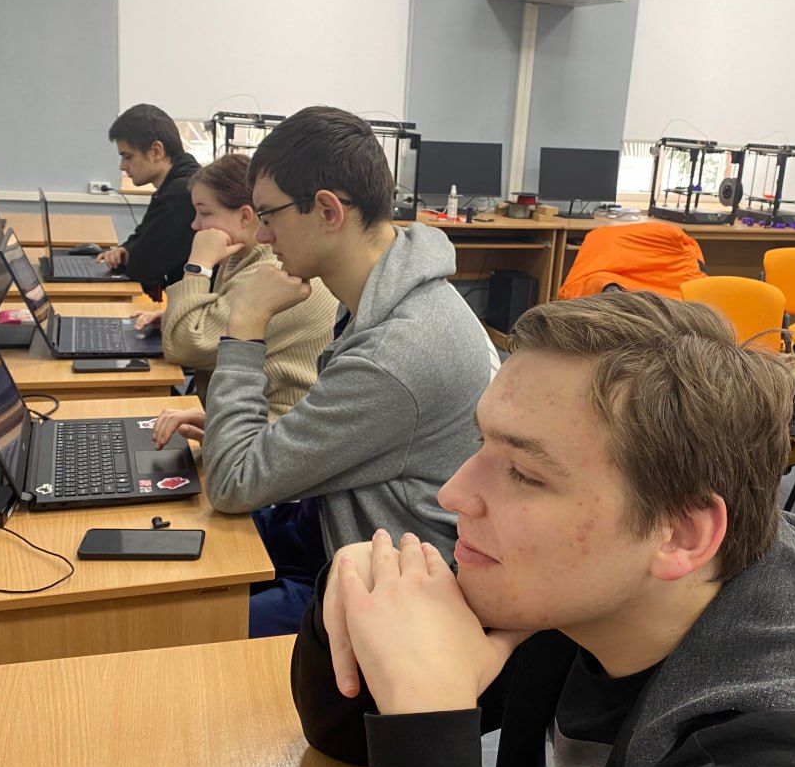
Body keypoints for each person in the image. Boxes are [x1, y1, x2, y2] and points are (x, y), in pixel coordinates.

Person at [291, 291, 795, 767]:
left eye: (525, 473)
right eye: (482, 444)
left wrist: (428, 721)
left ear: (682, 534)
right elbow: (345, 738)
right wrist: (358, 594)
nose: (453, 494)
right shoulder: (595, 586)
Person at [152, 105, 498, 637]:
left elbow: (233, 482)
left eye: (268, 216)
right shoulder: (386, 295)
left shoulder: (396, 351)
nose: (263, 236)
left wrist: (245, 324)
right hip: (334, 525)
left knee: (169, 624)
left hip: (388, 591)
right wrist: (249, 433)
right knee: (165, 546)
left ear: (327, 210)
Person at [133, 153, 337, 410]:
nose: (195, 224)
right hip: (240, 413)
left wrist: (197, 265)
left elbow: (183, 347)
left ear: (244, 216)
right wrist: (174, 316)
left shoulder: (274, 273)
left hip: (271, 422)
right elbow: (211, 325)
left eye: (204, 213)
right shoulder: (242, 258)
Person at [98, 103, 200, 297]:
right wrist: (126, 250)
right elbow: (143, 235)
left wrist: (131, 256)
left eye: (128, 157)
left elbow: (142, 268)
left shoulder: (181, 193)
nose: (122, 166)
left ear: (156, 151)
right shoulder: (175, 184)